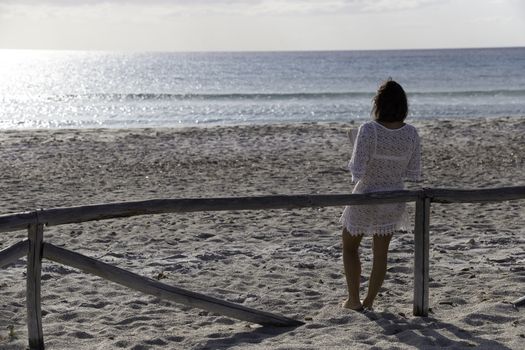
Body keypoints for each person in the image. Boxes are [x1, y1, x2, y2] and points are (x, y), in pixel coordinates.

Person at [340, 79, 421, 311]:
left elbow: (358, 170)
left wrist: (356, 144)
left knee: (349, 246)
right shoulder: (411, 133)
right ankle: (369, 301)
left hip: (366, 194)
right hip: (393, 195)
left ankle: (354, 300)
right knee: (380, 253)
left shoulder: (368, 130)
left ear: (378, 103)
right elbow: (411, 171)